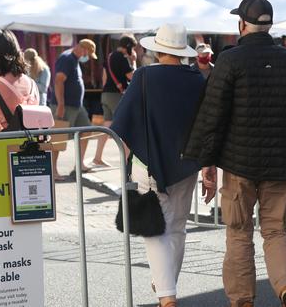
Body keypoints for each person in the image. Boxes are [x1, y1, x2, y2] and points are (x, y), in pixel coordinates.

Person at [184, 0, 286, 307]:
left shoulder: (231, 61)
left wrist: (207, 163)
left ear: (242, 24)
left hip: (239, 165)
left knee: (239, 233)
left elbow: (213, 114)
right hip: (280, 166)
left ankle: (242, 300)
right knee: (276, 231)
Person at [111, 24, 205, 307]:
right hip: (187, 163)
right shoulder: (196, 79)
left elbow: (122, 122)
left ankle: (166, 295)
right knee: (177, 227)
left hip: (148, 163)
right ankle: (167, 285)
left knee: (156, 228)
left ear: (158, 48)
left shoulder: (144, 77)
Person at [50, 39, 97, 179]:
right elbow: (58, 80)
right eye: (88, 54)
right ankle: (53, 171)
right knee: (58, 139)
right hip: (66, 106)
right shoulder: (67, 58)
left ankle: (80, 164)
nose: (87, 58)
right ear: (83, 49)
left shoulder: (73, 59)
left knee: (86, 130)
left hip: (76, 105)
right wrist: (61, 105)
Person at [93, 34, 137, 167]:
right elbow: (132, 77)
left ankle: (97, 157)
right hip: (115, 95)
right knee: (125, 126)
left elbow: (104, 77)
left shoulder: (110, 56)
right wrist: (134, 61)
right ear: (129, 47)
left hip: (106, 94)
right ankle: (127, 159)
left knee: (107, 126)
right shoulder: (122, 58)